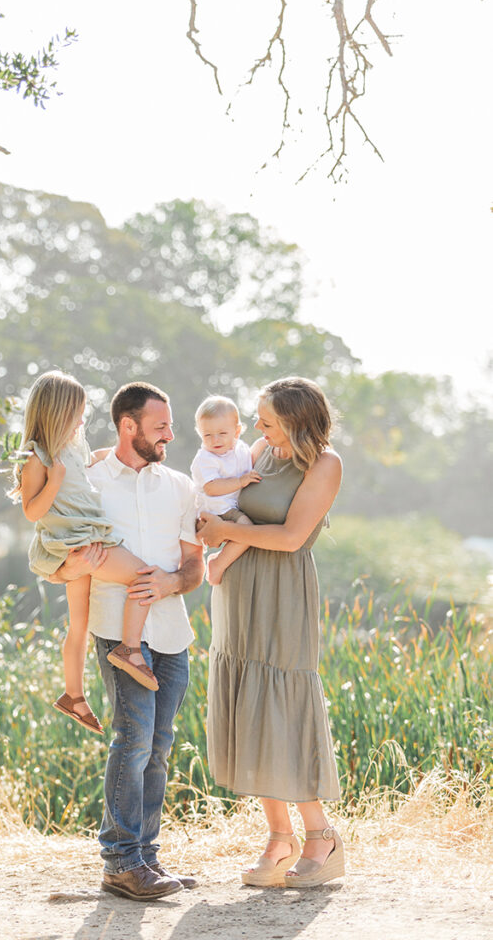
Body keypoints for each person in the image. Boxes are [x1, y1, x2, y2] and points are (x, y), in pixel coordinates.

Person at [47, 381, 204, 901]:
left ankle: (146, 859)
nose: (171, 434)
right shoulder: (85, 478)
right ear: (128, 426)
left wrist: (170, 582)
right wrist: (68, 565)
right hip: (117, 632)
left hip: (172, 634)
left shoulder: (181, 486)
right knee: (132, 742)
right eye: (161, 426)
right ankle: (119, 860)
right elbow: (55, 550)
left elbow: (194, 566)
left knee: (158, 749)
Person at [197, 377, 345, 889]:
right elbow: (226, 504)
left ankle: (320, 835)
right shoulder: (259, 450)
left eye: (266, 420)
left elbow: (290, 536)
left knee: (283, 709)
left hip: (283, 593)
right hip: (238, 593)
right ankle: (279, 838)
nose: (255, 428)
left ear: (297, 422)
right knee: (250, 708)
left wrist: (224, 535)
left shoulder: (325, 465)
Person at [11, 371, 161, 737]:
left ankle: (73, 696)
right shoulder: (37, 456)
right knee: (144, 576)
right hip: (80, 542)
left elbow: (85, 466)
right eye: (77, 412)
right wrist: (56, 479)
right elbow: (31, 511)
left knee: (79, 626)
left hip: (84, 539)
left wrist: (112, 454)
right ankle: (129, 649)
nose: (82, 419)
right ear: (57, 411)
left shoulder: (72, 447)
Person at [190, 395, 262, 586]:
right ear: (200, 434)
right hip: (218, 508)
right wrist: (240, 481)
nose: (215, 440)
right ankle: (218, 563)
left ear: (237, 431)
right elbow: (212, 488)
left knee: (245, 530)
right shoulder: (205, 459)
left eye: (222, 433)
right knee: (247, 529)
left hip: (232, 504)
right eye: (207, 435)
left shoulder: (241, 449)